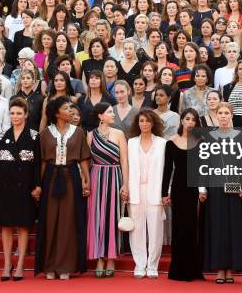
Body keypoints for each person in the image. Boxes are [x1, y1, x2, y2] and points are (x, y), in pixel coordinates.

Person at [0, 98, 42, 281]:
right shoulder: (2, 136)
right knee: (6, 226)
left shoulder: (34, 136)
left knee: (23, 226)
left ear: (26, 114)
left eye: (18, 113)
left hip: (25, 187)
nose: (15, 116)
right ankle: (7, 263)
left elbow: (38, 164)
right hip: (6, 187)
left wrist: (38, 186)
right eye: (12, 113)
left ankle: (21, 264)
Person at [35, 97, 91, 280]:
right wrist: (39, 185)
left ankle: (65, 266)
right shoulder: (44, 133)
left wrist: (86, 180)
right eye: (66, 108)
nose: (71, 111)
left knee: (68, 221)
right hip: (50, 178)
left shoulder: (78, 132)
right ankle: (49, 266)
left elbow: (83, 158)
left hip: (71, 177)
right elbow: (42, 162)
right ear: (56, 113)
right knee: (50, 220)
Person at [201, 102, 242, 283]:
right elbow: (204, 163)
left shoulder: (241, 136)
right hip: (214, 186)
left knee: (233, 227)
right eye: (220, 113)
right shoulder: (209, 136)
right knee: (218, 227)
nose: (223, 116)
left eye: (226, 113)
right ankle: (220, 269)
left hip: (234, 185)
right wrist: (202, 188)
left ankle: (232, 269)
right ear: (216, 115)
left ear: (232, 115)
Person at [86, 103, 129, 277]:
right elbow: (87, 162)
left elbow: (124, 161)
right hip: (96, 177)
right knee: (97, 217)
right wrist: (86, 182)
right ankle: (99, 258)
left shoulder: (119, 134)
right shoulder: (90, 136)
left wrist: (126, 184)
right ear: (100, 116)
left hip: (115, 176)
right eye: (110, 112)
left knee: (112, 216)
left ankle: (111, 257)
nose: (113, 114)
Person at [161, 108, 204, 281]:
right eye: (187, 119)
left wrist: (203, 189)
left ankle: (193, 270)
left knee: (192, 227)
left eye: (193, 120)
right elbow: (167, 170)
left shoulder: (201, 142)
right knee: (178, 228)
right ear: (182, 121)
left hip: (194, 189)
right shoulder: (171, 142)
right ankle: (178, 270)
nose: (190, 122)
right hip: (178, 189)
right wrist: (164, 192)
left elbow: (204, 168)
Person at [127, 109, 167, 279]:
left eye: (148, 121)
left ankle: (152, 264)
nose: (144, 124)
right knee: (136, 229)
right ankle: (139, 264)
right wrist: (126, 188)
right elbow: (127, 167)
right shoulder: (131, 142)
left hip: (155, 190)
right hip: (135, 190)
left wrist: (167, 191)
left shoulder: (162, 143)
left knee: (156, 229)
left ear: (153, 123)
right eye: (141, 121)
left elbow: (167, 170)